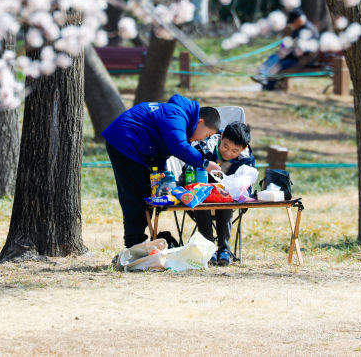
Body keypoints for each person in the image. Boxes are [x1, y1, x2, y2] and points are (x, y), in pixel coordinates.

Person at [101, 94, 222, 247]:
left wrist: (162, 176)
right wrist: (205, 163)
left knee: (146, 193)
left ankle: (138, 241)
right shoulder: (177, 115)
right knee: (135, 194)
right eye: (207, 134)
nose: (202, 140)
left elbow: (161, 150)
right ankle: (134, 244)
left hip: (137, 147)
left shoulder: (179, 116)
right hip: (125, 142)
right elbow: (178, 146)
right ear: (200, 122)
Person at [189, 121, 256, 266]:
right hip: (202, 194)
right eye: (225, 146)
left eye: (234, 151)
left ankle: (224, 249)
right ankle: (209, 248)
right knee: (201, 201)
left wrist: (238, 191)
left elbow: (247, 184)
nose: (228, 152)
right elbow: (188, 172)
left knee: (226, 201)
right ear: (221, 136)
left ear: (243, 148)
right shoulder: (204, 147)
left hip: (227, 199)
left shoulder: (246, 159)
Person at [255, 8, 319, 90]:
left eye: (293, 22)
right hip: (294, 57)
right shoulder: (299, 28)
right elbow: (290, 44)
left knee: (279, 65)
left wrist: (286, 53)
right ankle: (262, 75)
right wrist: (283, 50)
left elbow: (302, 51)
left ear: (298, 20)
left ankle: (268, 87)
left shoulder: (308, 30)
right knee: (273, 57)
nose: (291, 25)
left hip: (303, 60)